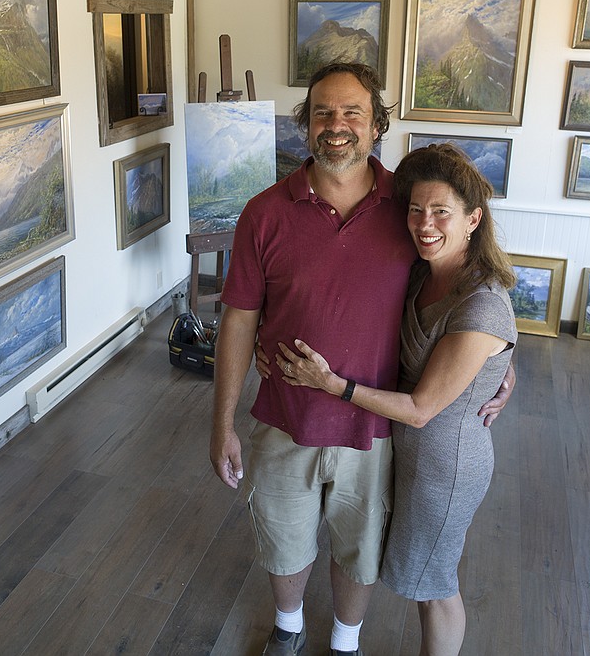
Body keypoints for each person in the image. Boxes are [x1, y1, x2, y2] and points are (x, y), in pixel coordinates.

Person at [208, 63, 513, 656]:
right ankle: (288, 627)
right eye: (322, 111)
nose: (336, 125)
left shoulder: (409, 207)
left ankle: (346, 642)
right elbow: (240, 318)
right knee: (285, 534)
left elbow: (471, 290)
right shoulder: (263, 213)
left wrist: (502, 369)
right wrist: (221, 423)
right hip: (284, 415)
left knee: (359, 543)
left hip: (375, 425)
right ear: (306, 123)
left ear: (376, 123)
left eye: (352, 112)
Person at [275, 143, 517, 656]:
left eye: (441, 213)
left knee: (435, 589)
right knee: (421, 578)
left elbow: (423, 408)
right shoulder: (423, 272)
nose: (424, 223)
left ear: (474, 219)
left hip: (445, 465)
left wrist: (332, 384)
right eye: (415, 209)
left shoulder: (482, 301)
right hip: (407, 455)